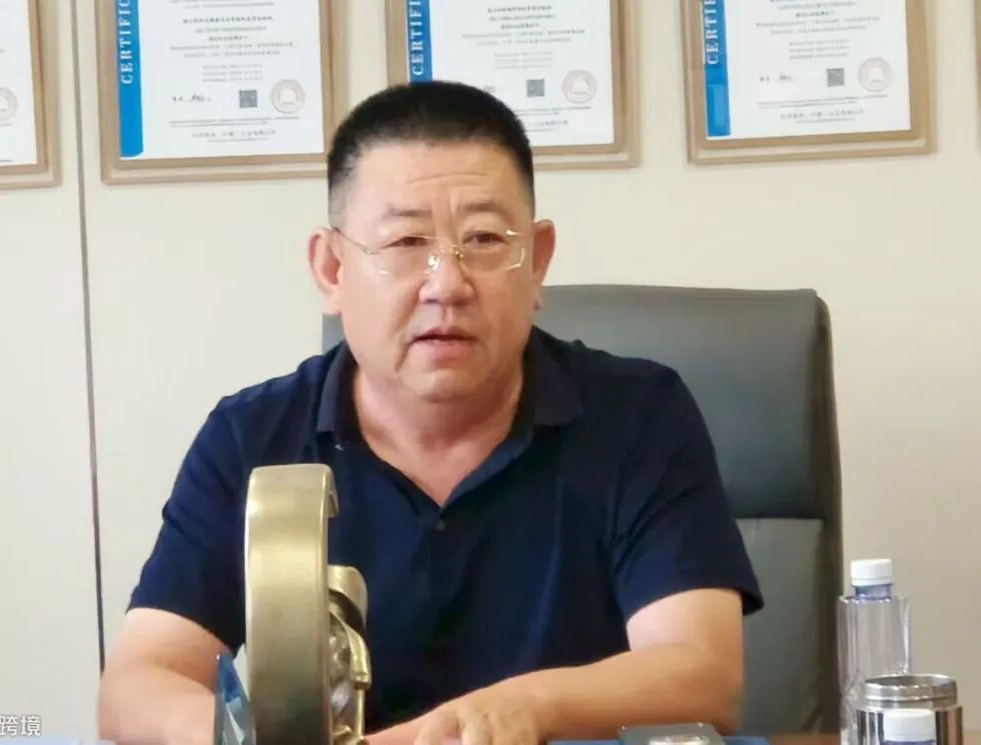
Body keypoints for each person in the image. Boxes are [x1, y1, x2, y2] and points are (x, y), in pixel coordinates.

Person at [97, 81, 763, 745]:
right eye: (406, 242)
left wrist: (521, 708)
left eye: (484, 239)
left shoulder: (640, 417)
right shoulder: (252, 438)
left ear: (537, 264)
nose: (447, 284)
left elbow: (701, 673)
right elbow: (137, 686)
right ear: (331, 269)